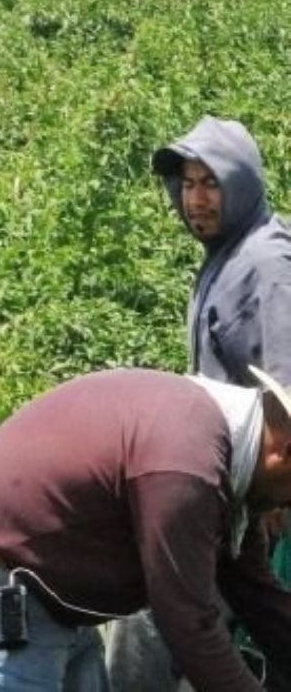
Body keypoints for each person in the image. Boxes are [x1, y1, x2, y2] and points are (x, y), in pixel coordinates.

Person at [0, 367, 291, 691]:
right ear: (285, 453)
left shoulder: (224, 456)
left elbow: (256, 592)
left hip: (45, 596)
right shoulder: (187, 459)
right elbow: (190, 624)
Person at [105, 116, 291, 688]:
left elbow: (286, 382)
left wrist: (278, 498)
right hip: (227, 480)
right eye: (187, 184)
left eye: (210, 183)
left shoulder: (267, 262)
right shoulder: (228, 256)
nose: (195, 199)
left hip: (260, 486)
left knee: (181, 612)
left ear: (241, 183)